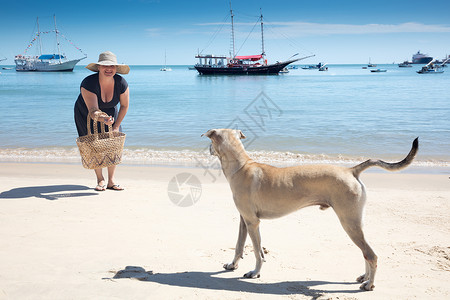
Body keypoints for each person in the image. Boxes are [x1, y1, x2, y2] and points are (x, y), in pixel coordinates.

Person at [74, 51, 130, 191]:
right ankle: (100, 179)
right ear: (98, 67)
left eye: (112, 66)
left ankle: (111, 180)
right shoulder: (88, 83)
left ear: (116, 68)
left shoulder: (121, 83)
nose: (109, 69)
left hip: (111, 111)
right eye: (105, 66)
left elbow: (124, 106)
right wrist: (103, 118)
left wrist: (116, 125)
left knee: (114, 144)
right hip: (86, 112)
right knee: (94, 143)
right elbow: (93, 111)